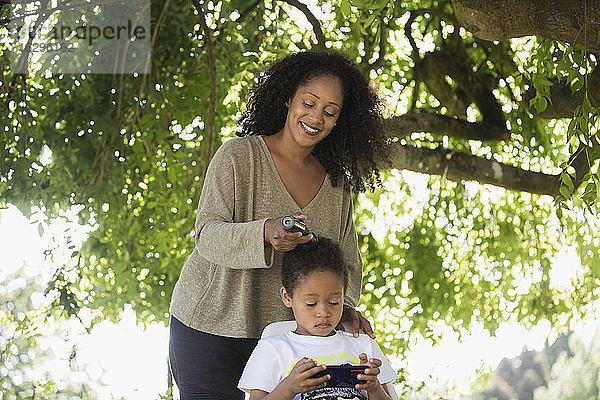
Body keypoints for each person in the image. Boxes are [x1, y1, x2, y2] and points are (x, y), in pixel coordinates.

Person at [168, 49, 390, 399]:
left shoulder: (337, 187)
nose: (316, 117)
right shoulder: (238, 157)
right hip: (209, 328)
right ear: (288, 99)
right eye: (309, 102)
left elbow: (347, 265)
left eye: (329, 112)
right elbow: (207, 237)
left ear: (338, 121)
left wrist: (342, 305)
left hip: (285, 343)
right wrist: (264, 232)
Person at [238, 237, 398, 400]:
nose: (323, 312)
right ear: (287, 297)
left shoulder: (363, 344)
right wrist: (288, 388)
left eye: (334, 302)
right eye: (311, 303)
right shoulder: (273, 349)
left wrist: (374, 388)